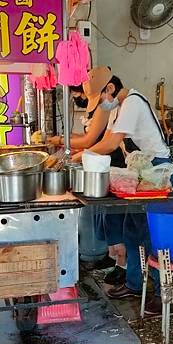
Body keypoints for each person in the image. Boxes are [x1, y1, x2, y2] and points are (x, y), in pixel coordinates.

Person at [81, 79, 173, 315]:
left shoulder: (133, 102)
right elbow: (106, 142)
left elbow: (112, 142)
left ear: (110, 89)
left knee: (152, 236)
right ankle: (134, 284)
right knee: (132, 231)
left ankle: (161, 294)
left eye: (100, 98)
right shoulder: (118, 108)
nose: (101, 104)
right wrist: (81, 153)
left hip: (158, 172)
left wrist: (81, 155)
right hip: (140, 171)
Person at [49, 68, 127, 284]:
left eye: (78, 95)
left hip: (117, 167)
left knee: (118, 219)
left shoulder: (119, 105)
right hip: (104, 166)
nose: (79, 99)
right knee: (106, 217)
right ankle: (114, 259)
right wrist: (71, 145)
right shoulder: (106, 107)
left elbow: (93, 141)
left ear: (109, 89)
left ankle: (124, 266)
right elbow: (89, 139)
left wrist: (71, 147)